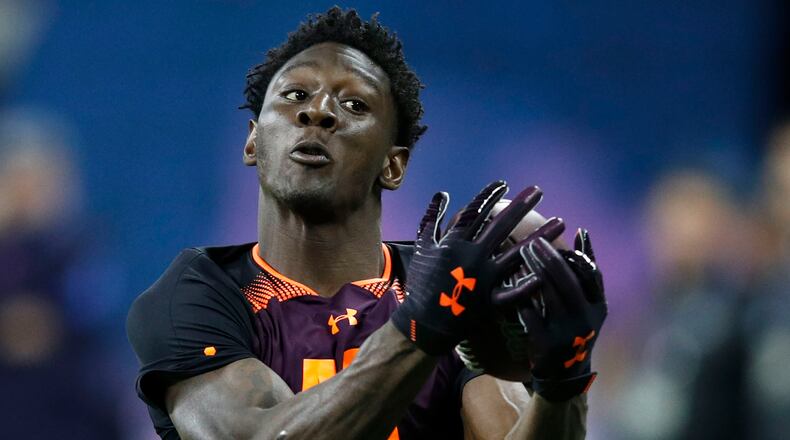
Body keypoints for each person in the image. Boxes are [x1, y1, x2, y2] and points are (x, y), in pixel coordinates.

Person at [127, 7, 606, 439]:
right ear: (253, 142)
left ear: (393, 166)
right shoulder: (199, 292)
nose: (317, 112)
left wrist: (563, 384)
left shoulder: (448, 286)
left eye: (355, 105)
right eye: (295, 94)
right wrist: (419, 327)